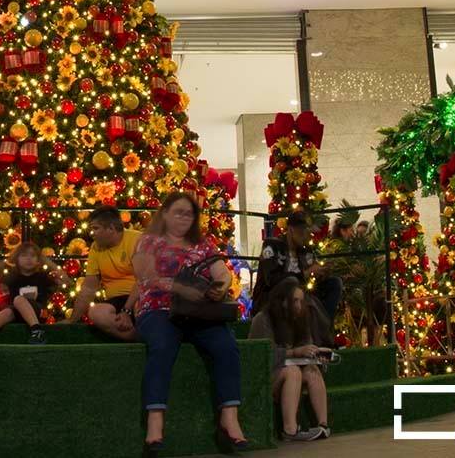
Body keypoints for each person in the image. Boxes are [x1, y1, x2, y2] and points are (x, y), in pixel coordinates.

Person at [132, 192, 247, 452]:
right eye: (178, 212)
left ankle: (229, 419)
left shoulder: (203, 244)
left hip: (197, 311)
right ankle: (155, 422)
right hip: (158, 308)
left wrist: (221, 285)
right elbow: (146, 275)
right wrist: (182, 289)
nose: (184, 217)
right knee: (161, 346)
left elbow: (221, 271)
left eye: (189, 213)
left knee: (226, 345)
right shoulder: (148, 241)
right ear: (164, 214)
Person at [249, 276, 331, 442]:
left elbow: (306, 345)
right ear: (282, 301)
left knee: (312, 371)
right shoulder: (263, 319)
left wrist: (316, 355)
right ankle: (290, 430)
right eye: (294, 301)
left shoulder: (300, 319)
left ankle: (323, 425)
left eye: (301, 301)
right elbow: (261, 355)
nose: (299, 306)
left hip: (291, 371)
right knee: (293, 372)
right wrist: (294, 352)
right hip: (265, 375)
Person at [251, 210, 342, 340]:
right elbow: (271, 279)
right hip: (273, 295)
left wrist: (322, 272)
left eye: (308, 232)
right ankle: (323, 338)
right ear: (291, 230)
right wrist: (306, 272)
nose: (307, 236)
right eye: (303, 231)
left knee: (334, 283)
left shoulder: (305, 251)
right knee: (293, 282)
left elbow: (312, 273)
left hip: (301, 293)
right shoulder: (272, 245)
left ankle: (325, 331)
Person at [66, 205, 140, 341]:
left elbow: (143, 281)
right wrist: (72, 320)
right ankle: (136, 338)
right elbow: (89, 288)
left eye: (96, 228)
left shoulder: (137, 240)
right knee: (95, 312)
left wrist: (127, 311)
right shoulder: (95, 247)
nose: (92, 233)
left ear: (111, 228)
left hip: (139, 296)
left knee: (140, 308)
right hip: (115, 301)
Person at [0, 241, 67, 344]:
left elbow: (66, 280)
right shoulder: (12, 277)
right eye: (24, 255)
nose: (28, 258)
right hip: (16, 313)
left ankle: (37, 331)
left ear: (38, 260)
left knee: (18, 299)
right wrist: (7, 260)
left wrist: (47, 261)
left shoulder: (42, 276)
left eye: (33, 255)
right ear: (17, 259)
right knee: (8, 310)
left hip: (39, 313)